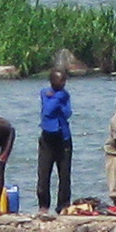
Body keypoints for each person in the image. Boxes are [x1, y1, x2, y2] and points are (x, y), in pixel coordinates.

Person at [37, 69, 73, 215]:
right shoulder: (44, 92)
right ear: (52, 80)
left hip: (63, 138)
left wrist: (57, 97)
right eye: (60, 80)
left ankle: (63, 205)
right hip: (47, 138)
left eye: (64, 80)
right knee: (44, 173)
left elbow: (67, 113)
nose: (63, 83)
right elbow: (48, 111)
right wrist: (58, 99)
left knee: (64, 174)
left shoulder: (65, 95)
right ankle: (43, 205)